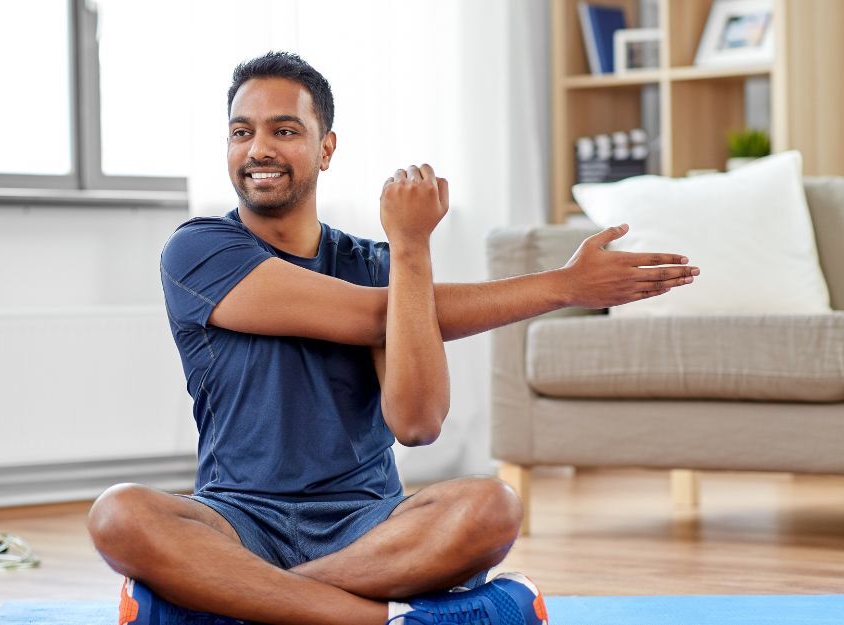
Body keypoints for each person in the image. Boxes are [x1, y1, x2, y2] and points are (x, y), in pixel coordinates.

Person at [87, 51, 697, 625]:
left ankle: (231, 602)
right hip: (237, 518)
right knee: (120, 513)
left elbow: (418, 424)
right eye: (241, 131)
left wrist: (409, 248)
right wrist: (562, 286)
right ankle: (389, 617)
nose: (259, 149)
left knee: (492, 507)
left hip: (369, 524)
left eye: (285, 130)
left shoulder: (383, 266)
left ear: (326, 149)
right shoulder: (198, 250)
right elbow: (368, 317)